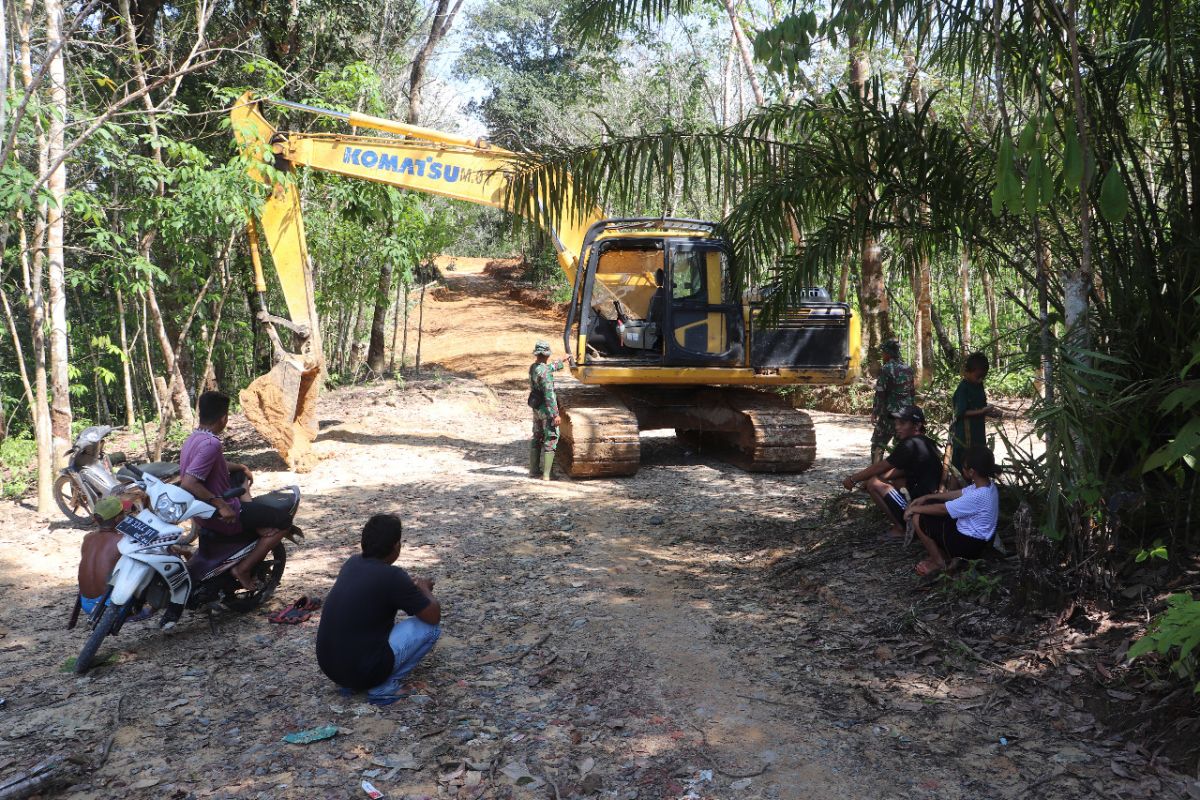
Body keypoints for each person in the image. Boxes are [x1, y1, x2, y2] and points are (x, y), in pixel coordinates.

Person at [316, 514, 442, 705]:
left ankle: (356, 681)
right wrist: (424, 589)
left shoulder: (352, 563)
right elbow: (433, 616)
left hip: (332, 670)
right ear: (395, 546)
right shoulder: (393, 576)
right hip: (362, 671)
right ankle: (384, 687)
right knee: (430, 629)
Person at [179, 391, 290, 591]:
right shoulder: (212, 443)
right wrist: (221, 505)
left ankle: (256, 526)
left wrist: (240, 467)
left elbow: (215, 464)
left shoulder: (194, 438)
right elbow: (189, 482)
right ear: (224, 418)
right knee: (284, 522)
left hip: (201, 515)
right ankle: (243, 569)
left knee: (240, 478)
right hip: (224, 516)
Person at [842, 405, 943, 539]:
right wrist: (870, 479)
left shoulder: (910, 444)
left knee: (874, 484)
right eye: (896, 423)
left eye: (902, 423)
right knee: (894, 480)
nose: (897, 427)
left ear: (917, 426)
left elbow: (882, 466)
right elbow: (899, 470)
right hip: (928, 500)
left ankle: (901, 527)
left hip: (920, 505)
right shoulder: (926, 442)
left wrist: (853, 479)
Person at [905, 445, 1000, 577]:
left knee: (918, 517)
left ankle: (939, 563)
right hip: (976, 541)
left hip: (967, 545)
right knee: (929, 504)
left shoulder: (979, 495)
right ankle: (943, 555)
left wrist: (914, 509)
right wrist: (927, 497)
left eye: (964, 467)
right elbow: (957, 493)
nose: (962, 469)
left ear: (972, 472)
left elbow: (943, 509)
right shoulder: (987, 486)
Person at [72, 495, 126, 623]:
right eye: (123, 514)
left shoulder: (87, 539)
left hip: (86, 603)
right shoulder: (122, 541)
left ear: (96, 519)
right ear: (118, 518)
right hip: (106, 604)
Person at [528, 340, 574, 480]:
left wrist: (562, 361)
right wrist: (555, 415)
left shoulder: (533, 367)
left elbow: (547, 368)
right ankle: (548, 475)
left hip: (536, 408)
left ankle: (534, 470)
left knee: (537, 437)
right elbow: (549, 395)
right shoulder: (546, 373)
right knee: (552, 438)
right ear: (547, 354)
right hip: (547, 410)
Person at [950, 352, 1001, 474]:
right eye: (978, 376)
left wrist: (990, 413)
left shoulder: (978, 385)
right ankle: (956, 490)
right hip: (965, 434)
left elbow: (980, 407)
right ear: (967, 371)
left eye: (983, 377)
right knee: (961, 464)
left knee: (978, 461)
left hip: (978, 432)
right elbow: (960, 413)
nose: (980, 379)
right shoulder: (963, 388)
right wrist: (983, 411)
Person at [871, 339, 916, 462]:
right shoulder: (908, 369)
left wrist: (875, 412)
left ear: (888, 353)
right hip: (906, 415)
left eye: (883, 353)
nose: (882, 356)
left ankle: (875, 473)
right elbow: (912, 393)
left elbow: (880, 393)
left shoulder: (886, 369)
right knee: (901, 446)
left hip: (889, 415)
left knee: (878, 444)